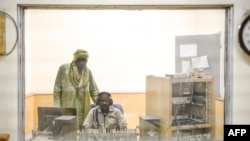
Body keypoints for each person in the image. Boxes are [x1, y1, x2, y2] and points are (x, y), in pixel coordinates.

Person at [53, 49, 99, 130]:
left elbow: (94, 90)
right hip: (68, 104)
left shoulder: (88, 72)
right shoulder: (64, 69)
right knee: (68, 129)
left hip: (83, 106)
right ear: (75, 60)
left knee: (83, 128)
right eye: (80, 59)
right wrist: (57, 108)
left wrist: (100, 104)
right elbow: (57, 90)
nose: (82, 62)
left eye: (84, 60)